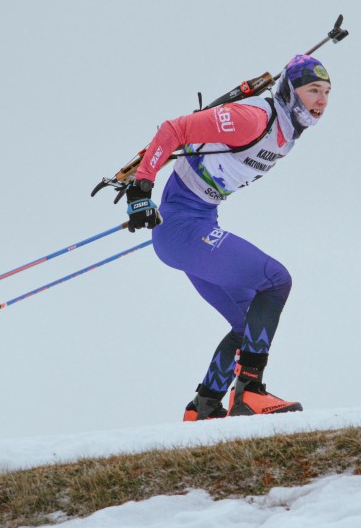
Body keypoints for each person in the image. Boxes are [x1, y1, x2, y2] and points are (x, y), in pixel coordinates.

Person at [124, 54, 332, 420]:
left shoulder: (286, 133)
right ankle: (250, 392)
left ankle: (204, 406)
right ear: (291, 90)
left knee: (249, 320)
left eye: (327, 93)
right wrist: (141, 189)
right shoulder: (253, 118)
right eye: (313, 89)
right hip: (183, 229)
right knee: (276, 279)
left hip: (196, 225)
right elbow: (174, 129)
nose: (322, 100)